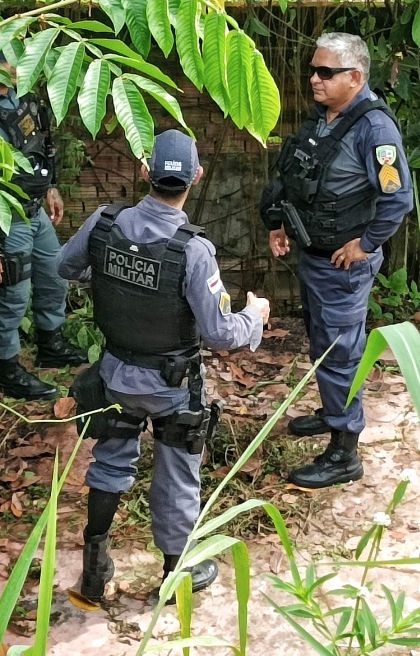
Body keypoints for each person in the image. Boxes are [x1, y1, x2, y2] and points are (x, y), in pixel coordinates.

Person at [58, 130, 271, 604]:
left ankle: (94, 571)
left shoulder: (104, 222)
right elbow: (220, 334)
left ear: (145, 171)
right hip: (172, 387)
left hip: (116, 374)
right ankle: (177, 576)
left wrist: (110, 279)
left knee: (110, 462)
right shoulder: (192, 250)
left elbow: (64, 267)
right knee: (177, 474)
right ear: (197, 177)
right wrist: (254, 316)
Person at [260, 33, 413, 489]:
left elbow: (398, 198)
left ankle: (345, 453)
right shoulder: (324, 115)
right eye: (314, 70)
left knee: (340, 353)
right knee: (323, 342)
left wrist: (366, 244)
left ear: (355, 77)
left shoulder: (375, 130)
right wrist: (278, 221)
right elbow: (295, 173)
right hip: (314, 255)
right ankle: (332, 412)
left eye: (325, 72)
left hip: (343, 266)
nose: (314, 79)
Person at [0, 57, 87, 401]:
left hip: (33, 210)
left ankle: (51, 345)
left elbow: (40, 146)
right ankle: (8, 370)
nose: (20, 66)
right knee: (11, 296)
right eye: (10, 60)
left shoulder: (23, 96)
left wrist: (50, 188)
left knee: (55, 274)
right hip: (1, 219)